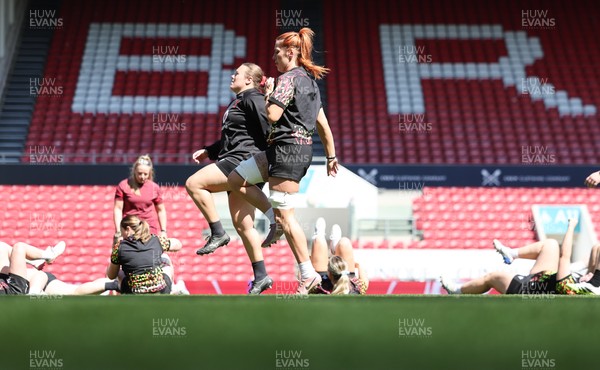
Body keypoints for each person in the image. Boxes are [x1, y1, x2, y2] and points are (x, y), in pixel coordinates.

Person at [228, 28, 339, 294]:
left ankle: (308, 275)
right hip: (288, 151)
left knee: (288, 217)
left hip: (288, 151)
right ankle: (273, 219)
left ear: (291, 53)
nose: (274, 57)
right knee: (235, 178)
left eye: (277, 52)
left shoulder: (287, 79)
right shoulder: (311, 83)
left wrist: (269, 92)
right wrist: (331, 155)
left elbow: (273, 115)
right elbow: (322, 125)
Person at [184, 62, 275, 294]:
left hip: (242, 160)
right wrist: (209, 150)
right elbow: (236, 136)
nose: (232, 75)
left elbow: (268, 129)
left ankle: (217, 232)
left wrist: (269, 160)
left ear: (249, 80)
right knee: (244, 225)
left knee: (194, 183)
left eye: (237, 73)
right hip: (241, 160)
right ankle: (262, 276)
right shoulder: (240, 100)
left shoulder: (252, 97)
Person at [441, 218, 579, 295]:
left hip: (537, 290)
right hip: (547, 280)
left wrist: (571, 226)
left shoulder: (585, 288)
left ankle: (457, 291)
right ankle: (512, 253)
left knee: (493, 277)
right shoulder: (592, 280)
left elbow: (564, 257)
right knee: (551, 244)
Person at [106, 215, 182, 294]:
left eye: (121, 232)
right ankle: (172, 288)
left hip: (134, 292)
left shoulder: (119, 246)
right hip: (160, 290)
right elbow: (178, 244)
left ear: (127, 229)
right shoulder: (156, 240)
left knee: (118, 268)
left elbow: (111, 276)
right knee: (165, 258)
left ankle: (123, 292)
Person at [113, 155, 167, 244]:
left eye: (145, 174)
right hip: (129, 229)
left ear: (150, 173)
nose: (142, 177)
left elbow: (161, 210)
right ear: (134, 171)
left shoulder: (154, 187)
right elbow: (118, 209)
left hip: (149, 229)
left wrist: (163, 231)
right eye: (139, 173)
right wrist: (119, 231)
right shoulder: (123, 185)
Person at [309, 218, 368, 295]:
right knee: (344, 242)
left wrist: (358, 266)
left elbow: (364, 284)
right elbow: (364, 284)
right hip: (345, 280)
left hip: (323, 283)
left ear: (329, 273)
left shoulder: (319, 290)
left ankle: (329, 243)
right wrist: (359, 267)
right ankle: (335, 248)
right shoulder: (354, 291)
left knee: (319, 239)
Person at [0, 240, 65, 295]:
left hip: (7, 284)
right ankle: (48, 256)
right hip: (14, 291)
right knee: (19, 247)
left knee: (3, 246)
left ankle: (40, 260)